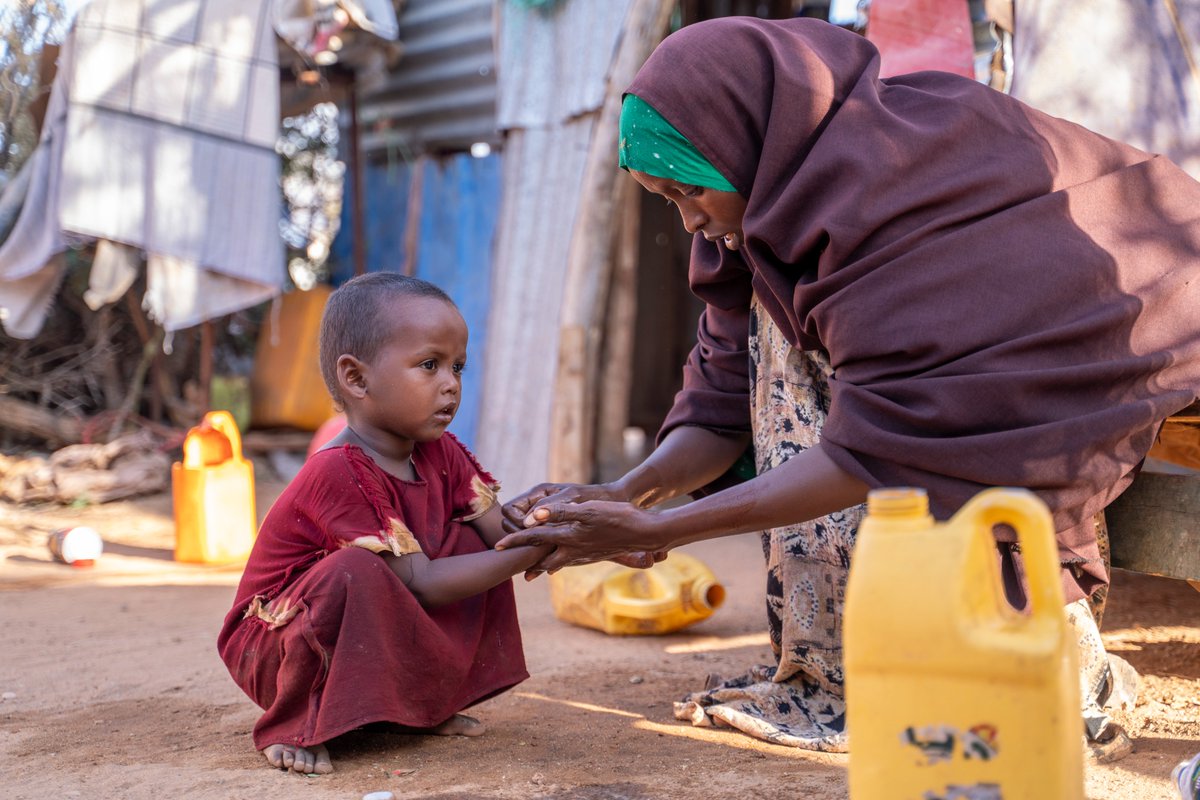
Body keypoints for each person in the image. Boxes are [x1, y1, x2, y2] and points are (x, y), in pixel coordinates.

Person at [497, 16, 1200, 755]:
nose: (691, 222)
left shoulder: (896, 184)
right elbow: (720, 392)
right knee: (779, 328)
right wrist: (625, 493)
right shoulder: (771, 214)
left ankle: (1053, 668)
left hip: (1146, 307)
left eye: (689, 191)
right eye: (664, 200)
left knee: (947, 406)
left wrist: (664, 528)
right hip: (1005, 351)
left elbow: (882, 443)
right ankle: (846, 661)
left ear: (746, 141)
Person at [217, 273, 549, 774]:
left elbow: (501, 535)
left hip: (350, 625)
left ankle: (415, 708)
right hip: (273, 642)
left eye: (458, 367)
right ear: (356, 378)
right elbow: (424, 585)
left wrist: (578, 530)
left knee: (462, 544)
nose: (451, 384)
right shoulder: (339, 469)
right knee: (355, 570)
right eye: (429, 365)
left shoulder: (442, 452)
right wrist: (531, 552)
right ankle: (289, 723)